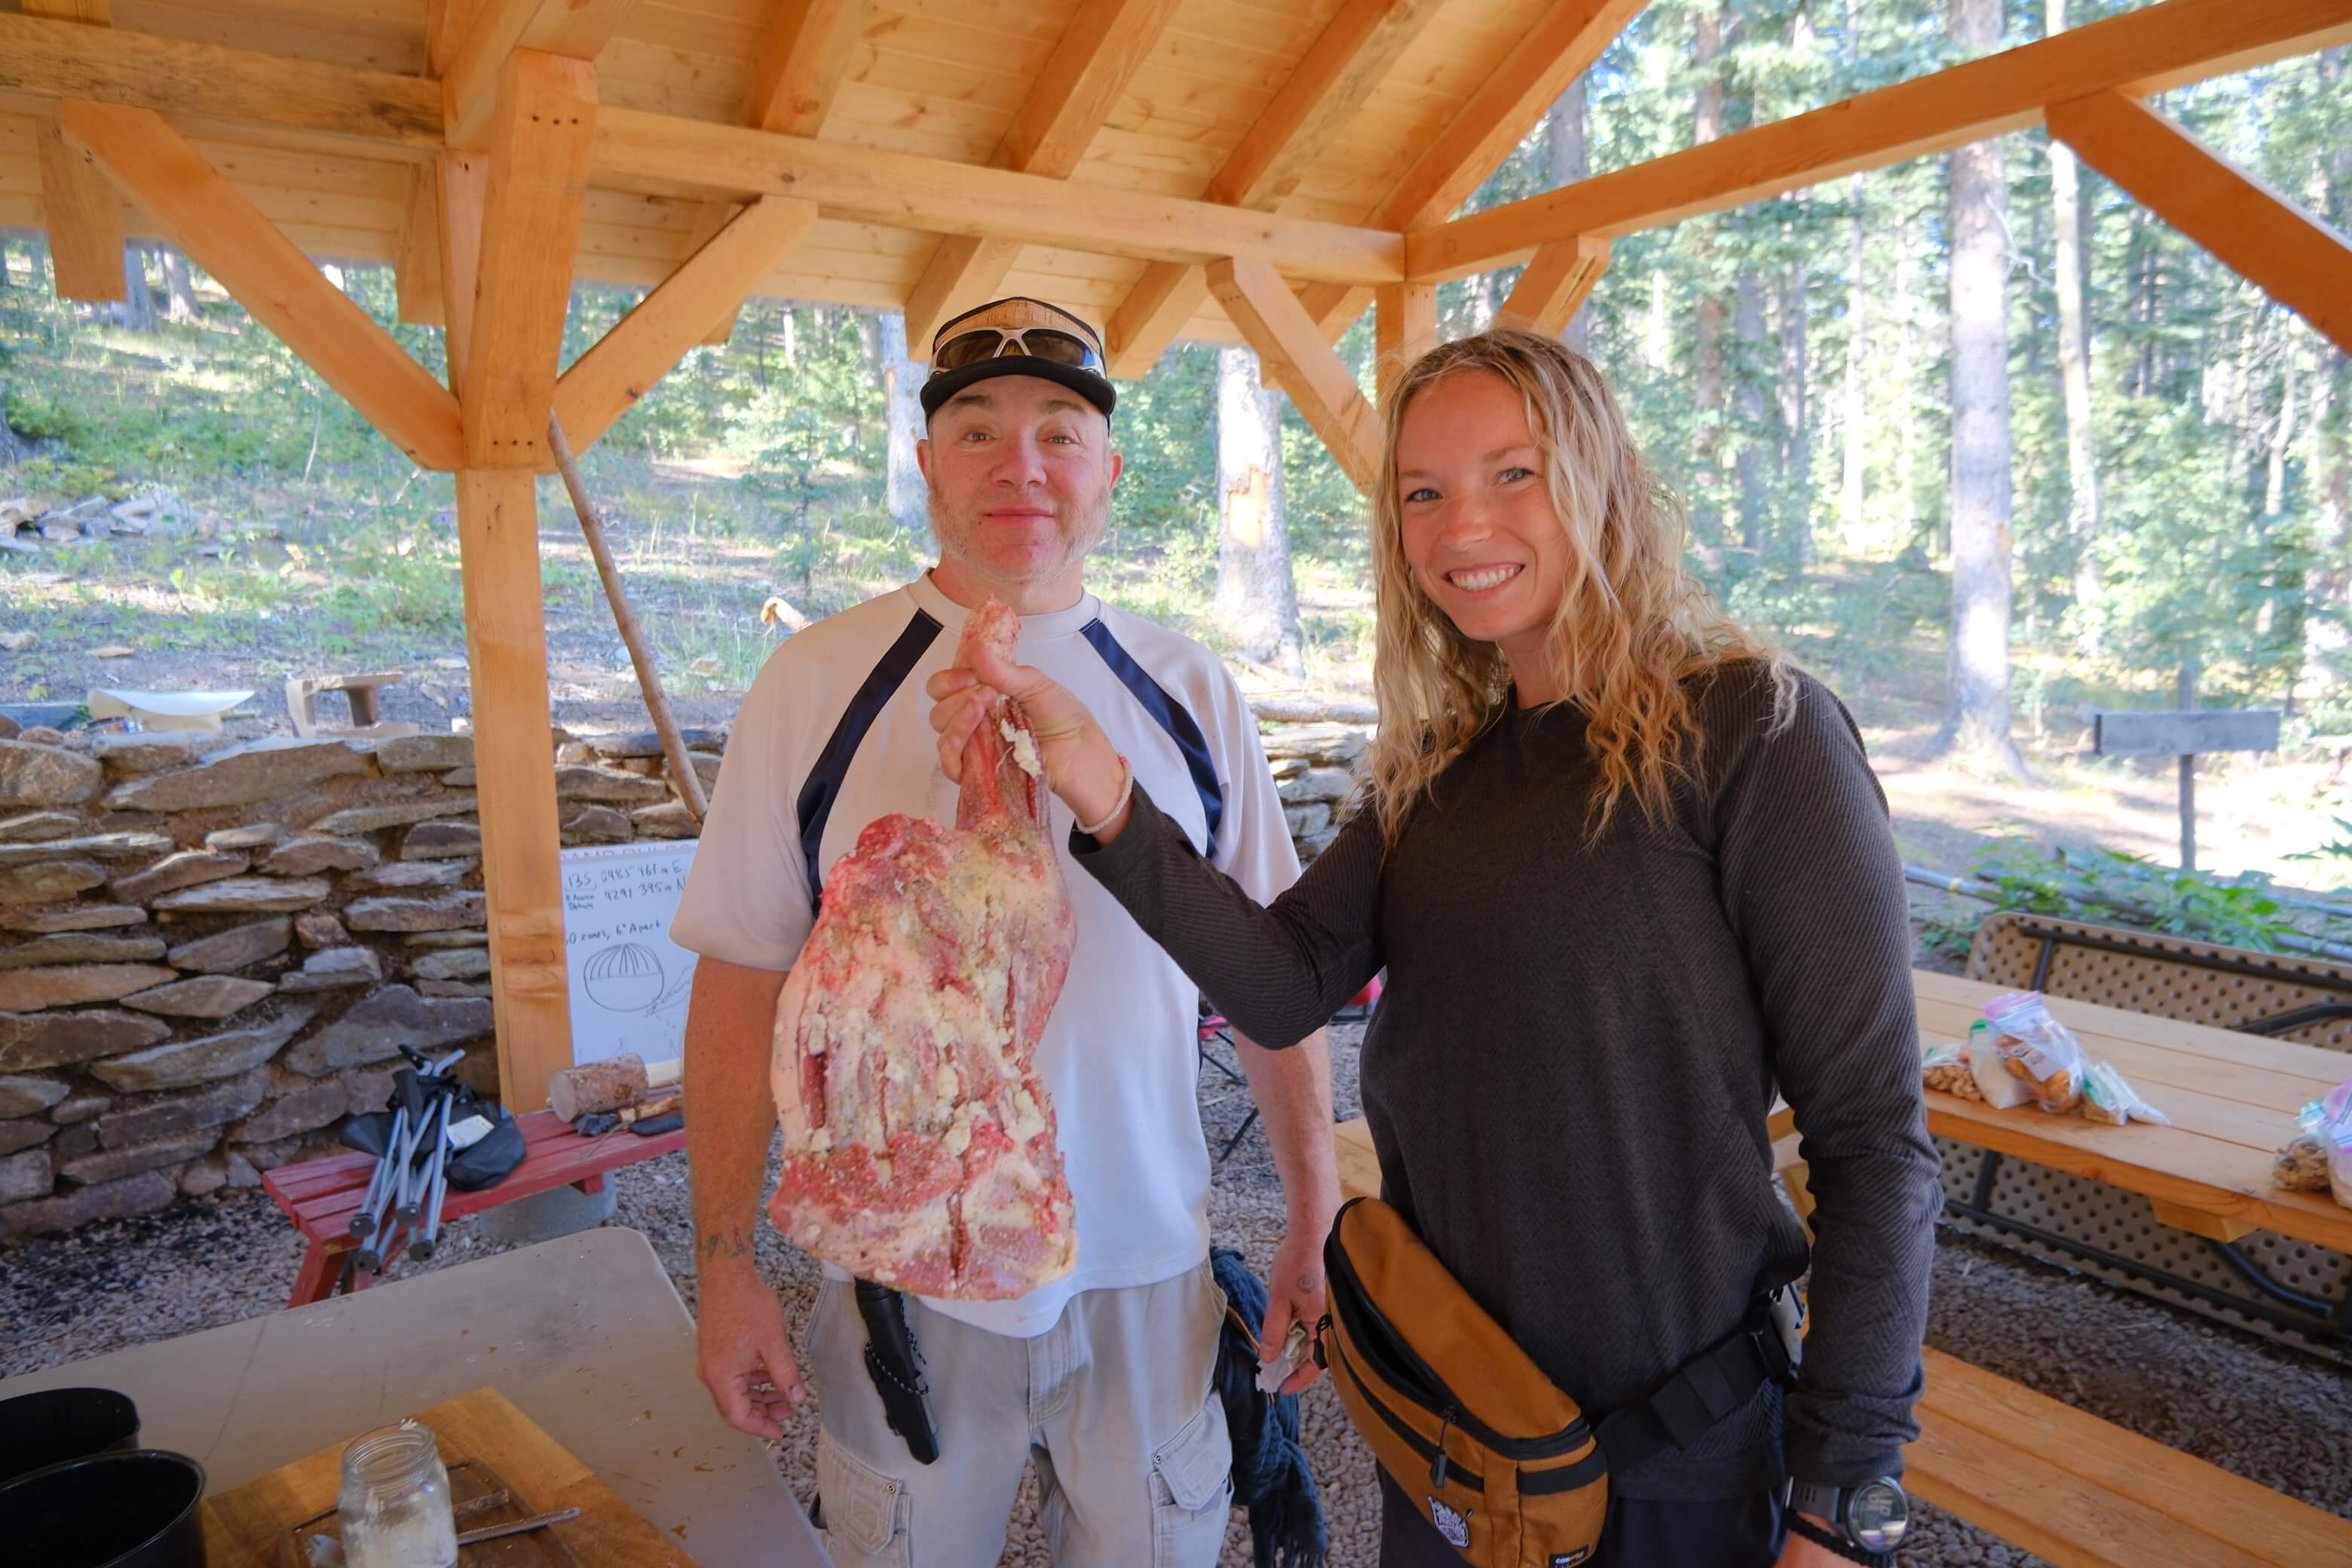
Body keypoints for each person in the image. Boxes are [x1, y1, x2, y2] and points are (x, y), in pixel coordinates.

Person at [929, 329, 1943, 1568]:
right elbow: (1280, 980)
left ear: (1604, 482)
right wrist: (1103, 791)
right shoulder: (1436, 779)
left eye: (1513, 474)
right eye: (1423, 492)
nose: (1463, 526)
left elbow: (1874, 1138)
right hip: (1458, 1422)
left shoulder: (1752, 730)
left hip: (1676, 1452)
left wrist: (1842, 1497)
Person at [672, 296, 1340, 1568]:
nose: (1018, 465)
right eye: (975, 431)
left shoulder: (1189, 690)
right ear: (927, 465)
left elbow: (1273, 979)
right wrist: (725, 1261)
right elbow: (743, 979)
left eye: (1058, 432)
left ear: (1110, 471)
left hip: (1145, 1262)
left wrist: (1310, 1214)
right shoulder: (816, 682)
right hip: (901, 1280)